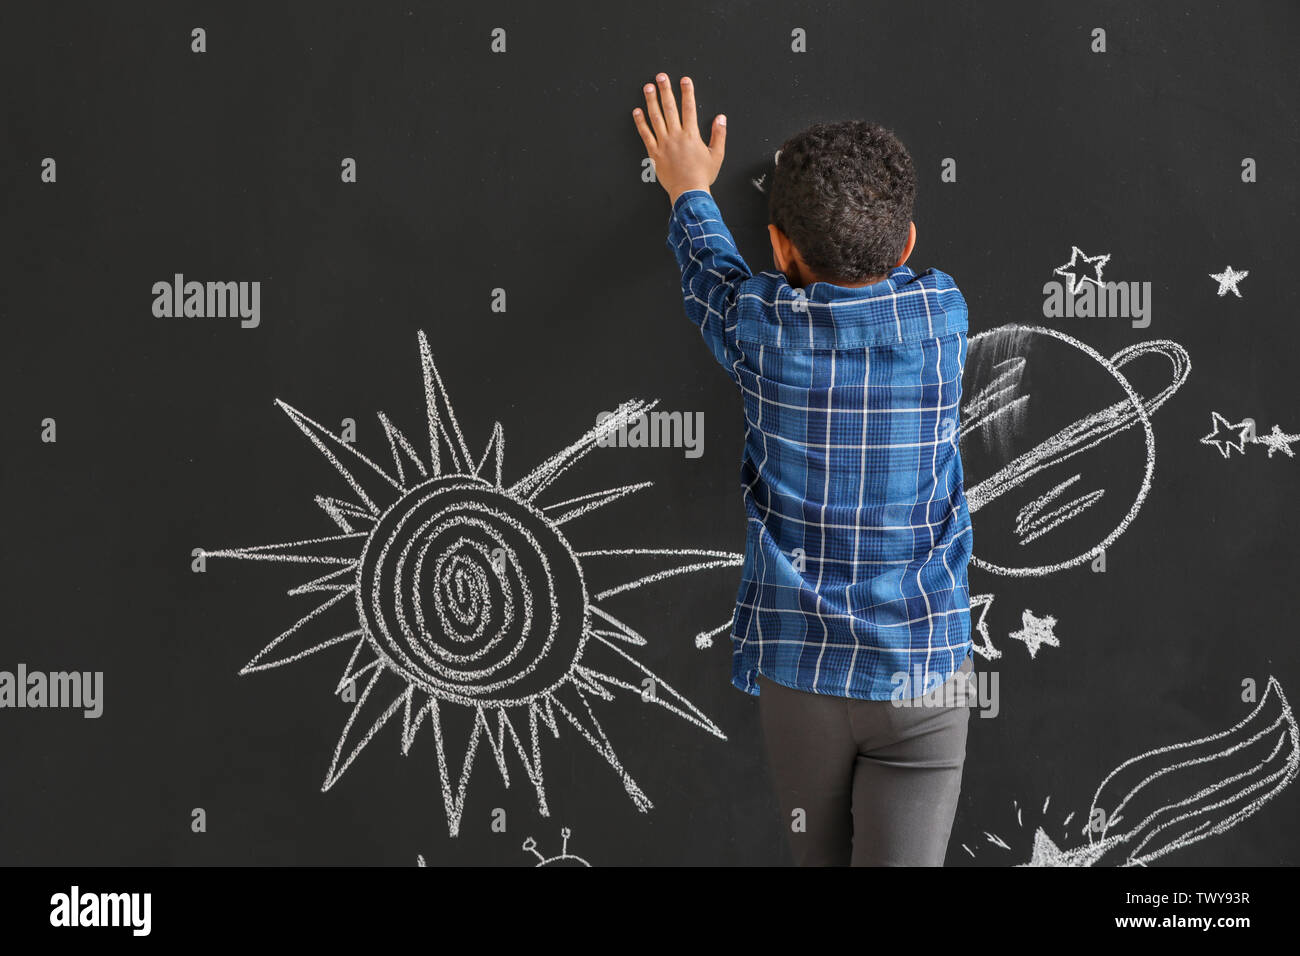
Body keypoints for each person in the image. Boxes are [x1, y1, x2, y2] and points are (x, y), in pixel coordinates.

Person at [632, 73, 976, 866]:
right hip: (924, 673)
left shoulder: (759, 330)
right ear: (909, 245)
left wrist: (690, 191)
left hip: (803, 674)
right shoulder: (943, 318)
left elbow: (709, 278)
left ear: (780, 248)